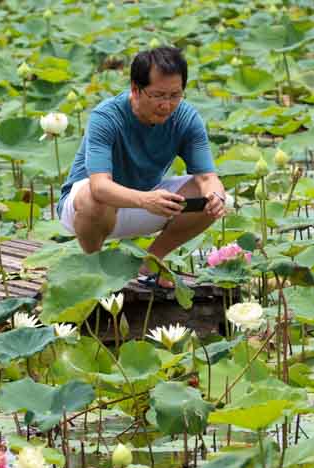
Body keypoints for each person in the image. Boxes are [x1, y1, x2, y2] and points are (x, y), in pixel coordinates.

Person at [57, 46, 226, 288]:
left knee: (208, 196)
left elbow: (207, 177)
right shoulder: (106, 116)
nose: (167, 105)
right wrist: (146, 200)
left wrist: (215, 195)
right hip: (85, 209)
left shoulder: (187, 118)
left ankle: (151, 263)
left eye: (175, 95)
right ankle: (94, 268)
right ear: (135, 90)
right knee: (94, 198)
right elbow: (100, 186)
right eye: (158, 95)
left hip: (145, 200)